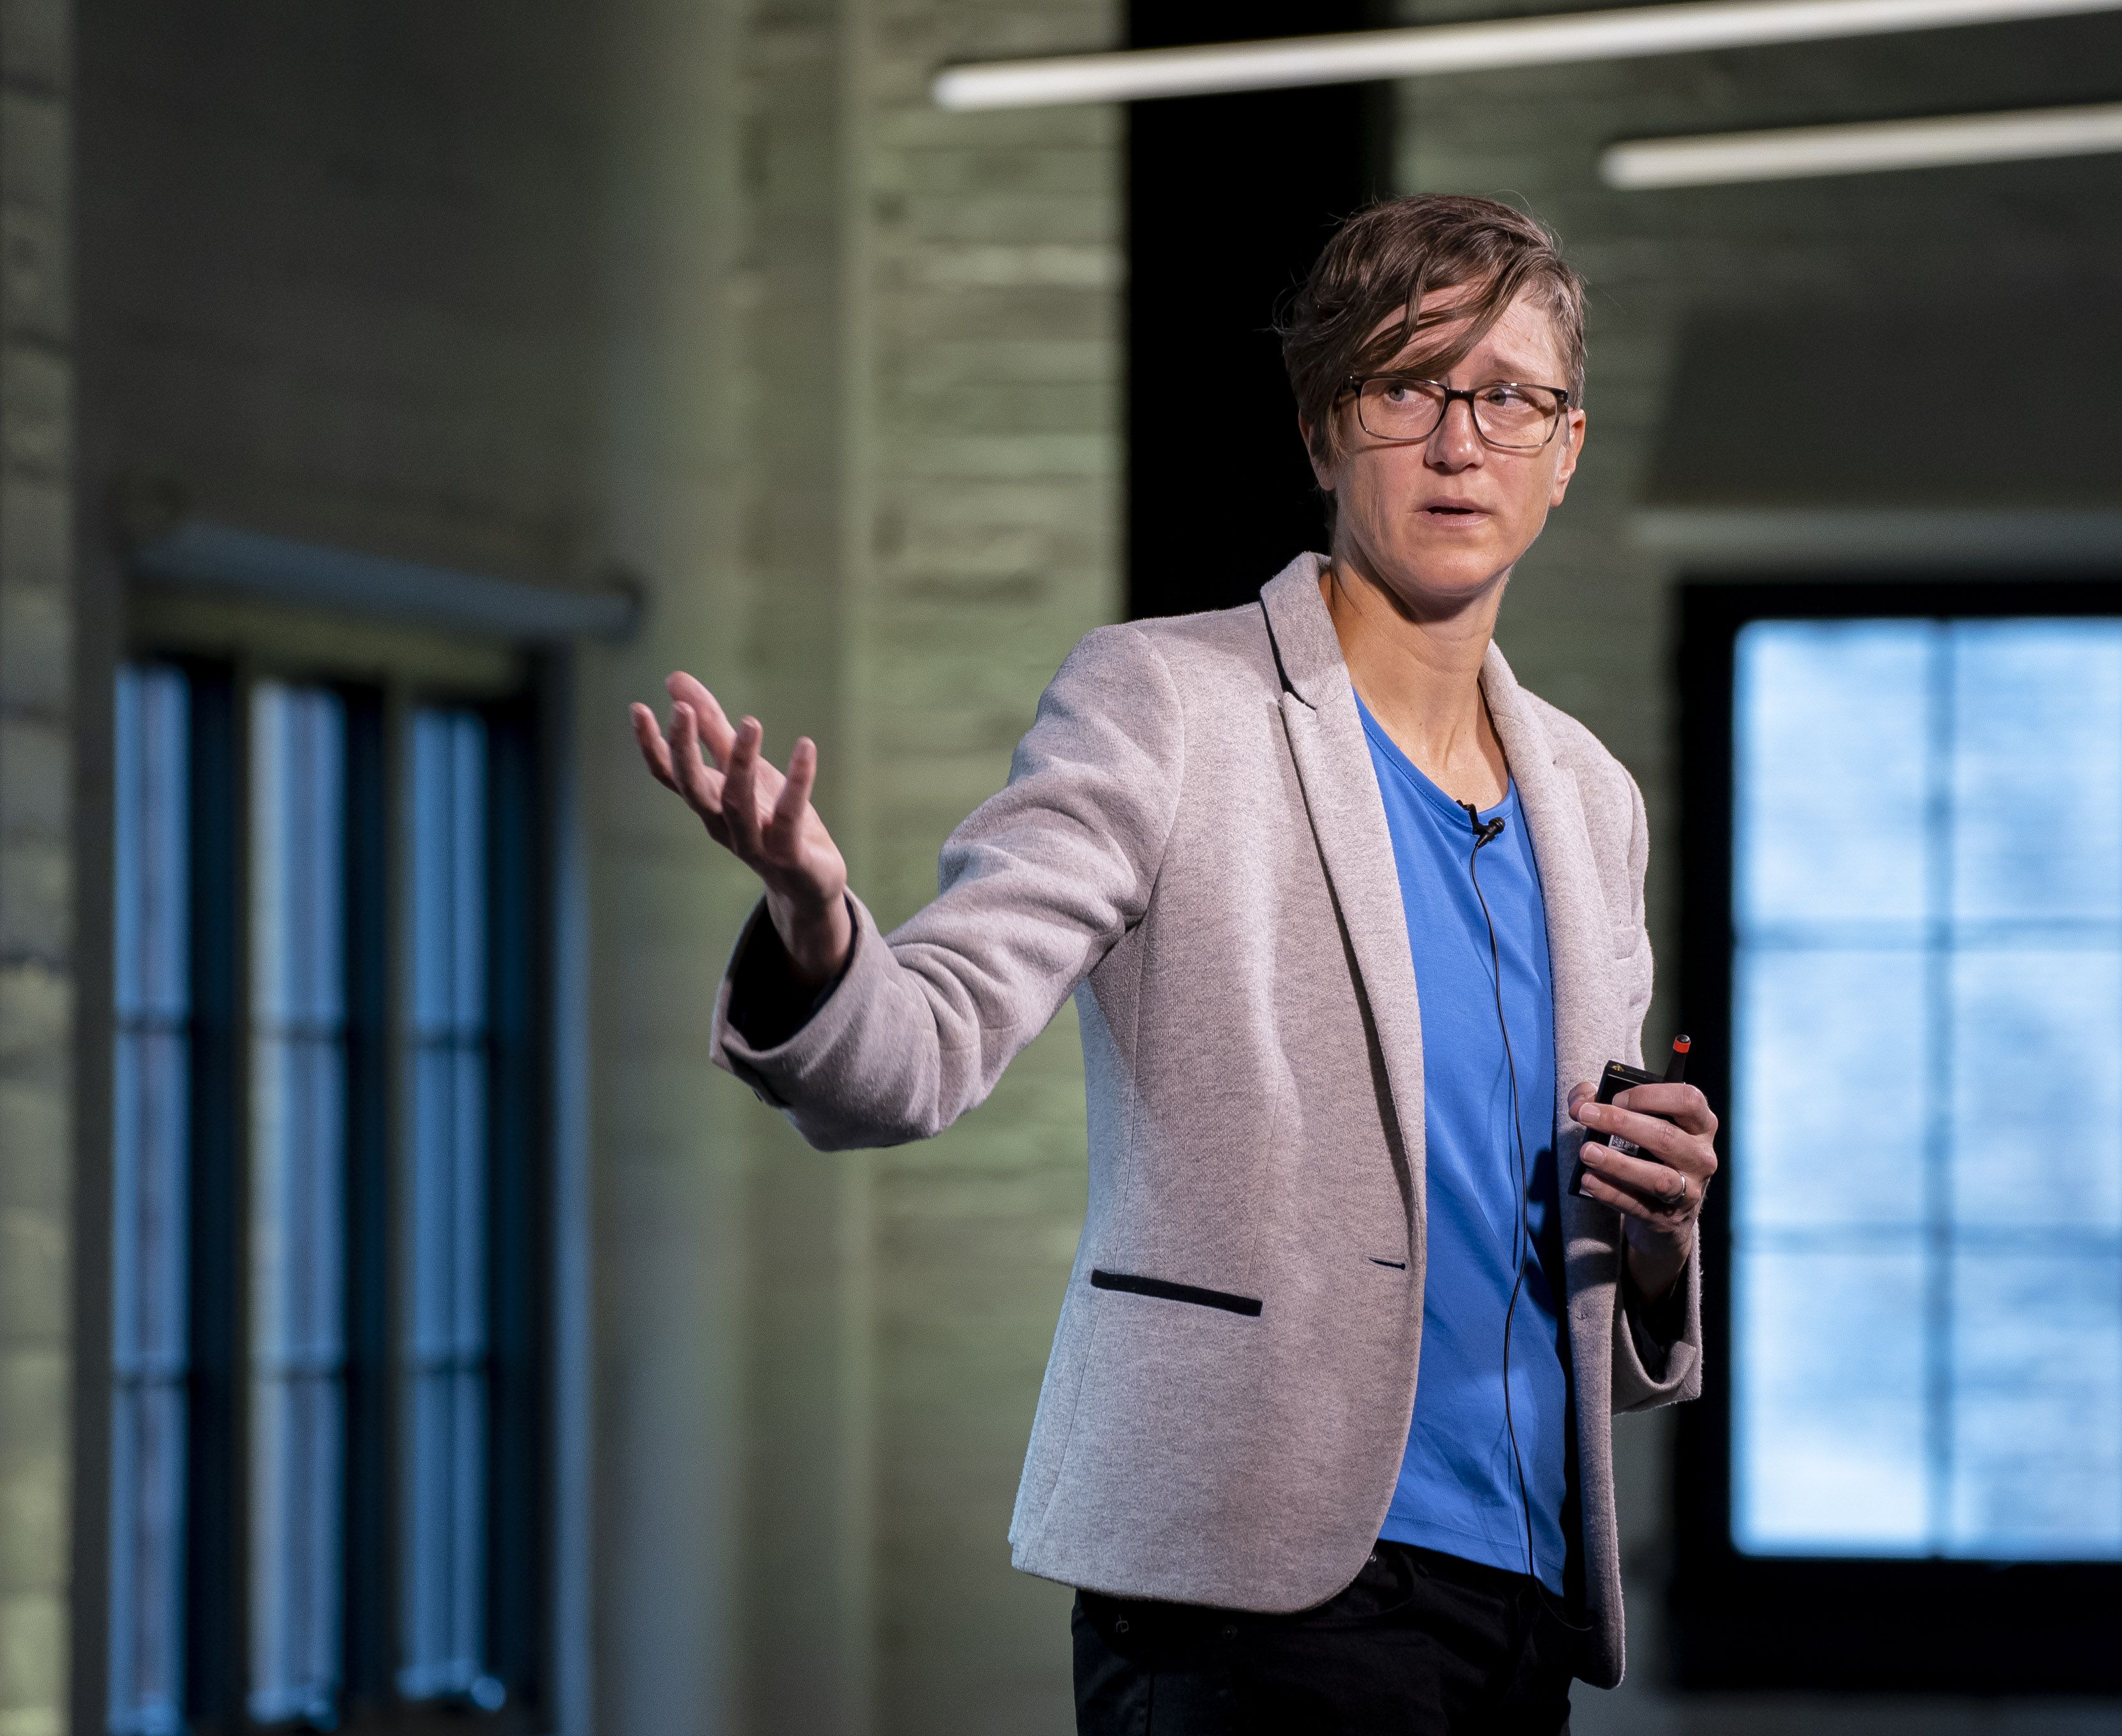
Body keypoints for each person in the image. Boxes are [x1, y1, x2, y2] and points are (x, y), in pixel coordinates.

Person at [630, 193, 1719, 1733]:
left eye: (1509, 395)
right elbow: (916, 1053)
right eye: (1405, 386)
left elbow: (1552, 1279)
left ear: (1568, 445)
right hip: (1254, 1588)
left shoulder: (1591, 799)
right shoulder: (1168, 701)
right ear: (1323, 429)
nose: (1460, 440)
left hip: (1524, 1594)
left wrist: (1660, 1237)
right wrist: (818, 921)